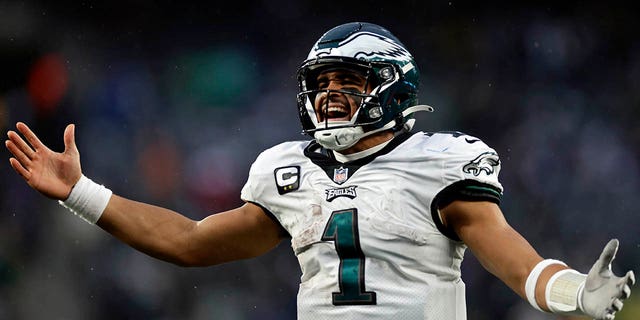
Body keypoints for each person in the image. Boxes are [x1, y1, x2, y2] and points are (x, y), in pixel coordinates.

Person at [4, 22, 635, 320]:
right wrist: (79, 192)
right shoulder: (287, 169)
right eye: (322, 82)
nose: (330, 94)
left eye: (349, 80)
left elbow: (513, 260)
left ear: (391, 88)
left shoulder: (437, 162)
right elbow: (189, 242)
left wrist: (575, 291)